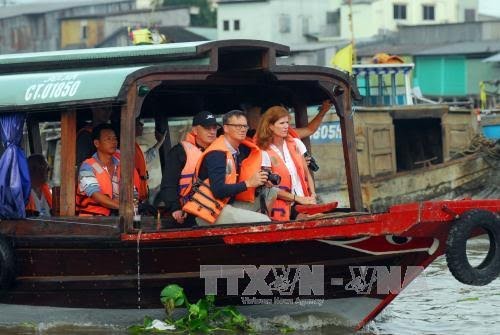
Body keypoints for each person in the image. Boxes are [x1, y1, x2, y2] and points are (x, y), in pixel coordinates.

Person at [182, 110, 275, 225]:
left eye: (245, 126)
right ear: (225, 128)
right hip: (208, 210)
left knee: (272, 191)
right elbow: (218, 191)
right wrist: (248, 183)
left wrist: (260, 182)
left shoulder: (238, 151)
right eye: (237, 126)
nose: (242, 129)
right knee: (263, 221)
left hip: (227, 204)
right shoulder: (217, 154)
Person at [156, 111, 219, 226]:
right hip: (187, 213)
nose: (212, 131)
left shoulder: (221, 152)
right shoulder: (179, 152)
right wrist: (175, 208)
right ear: (195, 130)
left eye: (214, 128)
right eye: (207, 128)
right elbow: (168, 185)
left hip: (216, 210)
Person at [255, 106, 317, 221]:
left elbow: (307, 174)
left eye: (287, 122)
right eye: (281, 123)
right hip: (281, 205)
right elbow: (269, 188)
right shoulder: (263, 151)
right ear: (271, 126)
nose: (286, 126)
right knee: (306, 220)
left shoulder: (296, 143)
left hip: (304, 200)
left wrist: (313, 194)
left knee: (318, 218)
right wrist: (296, 198)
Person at [76, 123, 120, 216]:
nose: (113, 142)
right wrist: (122, 207)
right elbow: (95, 195)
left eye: (115, 138)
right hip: (92, 223)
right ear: (97, 143)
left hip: (117, 219)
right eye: (108, 139)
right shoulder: (87, 167)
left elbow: (132, 193)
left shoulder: (121, 165)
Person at [130, 118, 167, 202]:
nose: (142, 125)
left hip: (140, 195)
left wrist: (160, 142)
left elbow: (145, 159)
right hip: (133, 196)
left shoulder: (134, 146)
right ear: (131, 126)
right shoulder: (126, 147)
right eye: (139, 123)